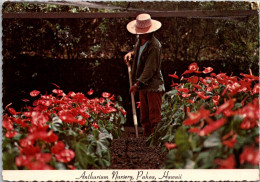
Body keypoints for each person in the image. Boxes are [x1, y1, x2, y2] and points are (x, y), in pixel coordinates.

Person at [124, 13, 165, 136]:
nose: (141, 33)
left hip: (153, 85)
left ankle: (155, 143)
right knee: (144, 117)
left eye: (143, 31)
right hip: (142, 84)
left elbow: (150, 68)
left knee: (154, 117)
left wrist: (137, 83)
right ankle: (146, 143)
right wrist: (131, 54)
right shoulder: (139, 41)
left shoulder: (155, 46)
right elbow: (140, 53)